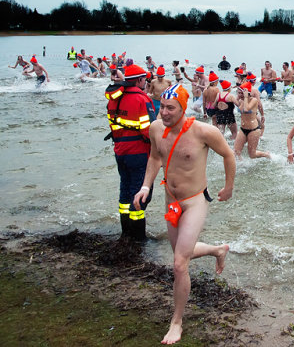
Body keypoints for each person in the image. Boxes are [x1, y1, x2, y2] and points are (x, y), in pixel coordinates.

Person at [131, 83, 235, 345]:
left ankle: (176, 321)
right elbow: (155, 157)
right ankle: (217, 250)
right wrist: (145, 186)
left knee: (179, 264)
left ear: (183, 108)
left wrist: (228, 186)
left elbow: (228, 155)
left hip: (194, 201)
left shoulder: (203, 132)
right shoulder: (156, 128)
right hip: (171, 200)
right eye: (162, 107)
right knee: (180, 251)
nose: (164, 113)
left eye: (170, 108)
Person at [104, 64, 156, 240]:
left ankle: (125, 232)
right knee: (139, 191)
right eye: (145, 79)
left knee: (125, 190)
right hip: (139, 151)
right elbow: (150, 130)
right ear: (140, 80)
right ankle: (139, 237)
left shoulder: (114, 97)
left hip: (119, 149)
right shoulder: (142, 99)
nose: (146, 82)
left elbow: (112, 122)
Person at [233, 82, 271, 160]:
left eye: (240, 93)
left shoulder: (254, 100)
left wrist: (246, 97)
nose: (238, 95)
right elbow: (241, 110)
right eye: (238, 92)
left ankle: (266, 154)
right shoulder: (241, 100)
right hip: (242, 129)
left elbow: (246, 109)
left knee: (252, 155)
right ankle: (241, 167)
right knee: (236, 152)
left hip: (253, 130)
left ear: (246, 93)